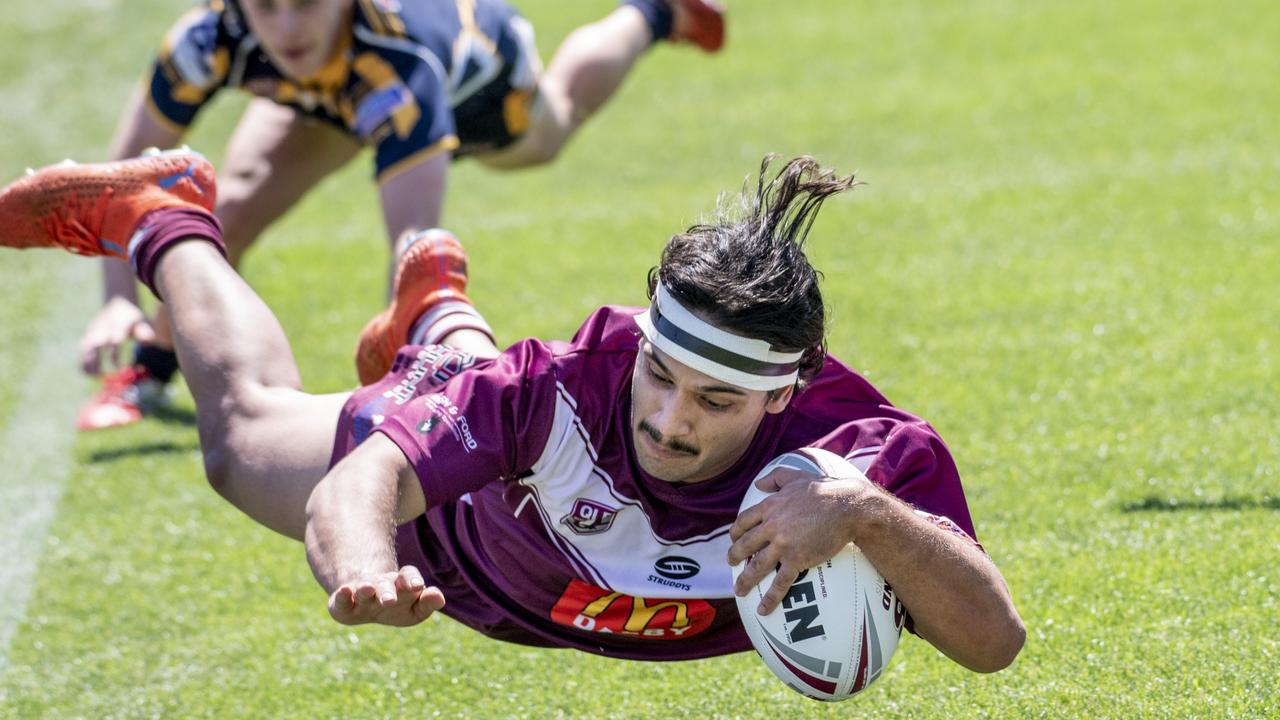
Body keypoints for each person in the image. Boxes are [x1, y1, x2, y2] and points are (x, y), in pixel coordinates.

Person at [0, 151, 1025, 671]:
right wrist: (366, 566)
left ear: (785, 395)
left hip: (528, 524)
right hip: (450, 539)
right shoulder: (562, 387)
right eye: (659, 376)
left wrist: (859, 515)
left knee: (466, 403)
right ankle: (167, 216)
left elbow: (990, 642)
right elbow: (361, 488)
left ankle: (437, 317)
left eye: (717, 402)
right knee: (241, 444)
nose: (670, 419)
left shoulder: (860, 455)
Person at [75, 0, 727, 430]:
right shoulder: (209, 36)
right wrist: (112, 297)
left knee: (551, 131)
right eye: (267, 5)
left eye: (306, 2)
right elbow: (125, 169)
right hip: (326, 91)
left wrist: (406, 395)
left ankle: (654, 12)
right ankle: (149, 368)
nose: (288, 29)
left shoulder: (403, 67)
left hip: (480, 86)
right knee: (232, 206)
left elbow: (414, 254)